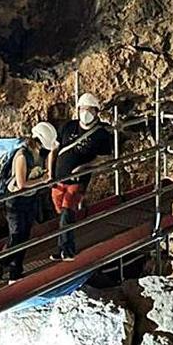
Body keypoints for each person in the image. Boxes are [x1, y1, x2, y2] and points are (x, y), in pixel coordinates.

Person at [48, 93, 113, 261]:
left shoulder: (101, 134)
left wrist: (84, 167)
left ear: (97, 111)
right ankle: (63, 247)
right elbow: (54, 150)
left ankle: (67, 251)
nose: (85, 112)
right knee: (61, 212)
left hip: (78, 181)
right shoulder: (68, 126)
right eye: (83, 109)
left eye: (89, 109)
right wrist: (50, 174)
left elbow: (104, 158)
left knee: (66, 212)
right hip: (58, 179)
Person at [0, 122, 58, 282]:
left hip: (30, 198)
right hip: (15, 200)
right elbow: (22, 184)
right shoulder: (22, 155)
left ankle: (16, 272)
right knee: (16, 235)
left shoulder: (40, 154)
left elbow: (50, 156)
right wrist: (42, 180)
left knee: (25, 235)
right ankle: (2, 260)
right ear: (39, 141)